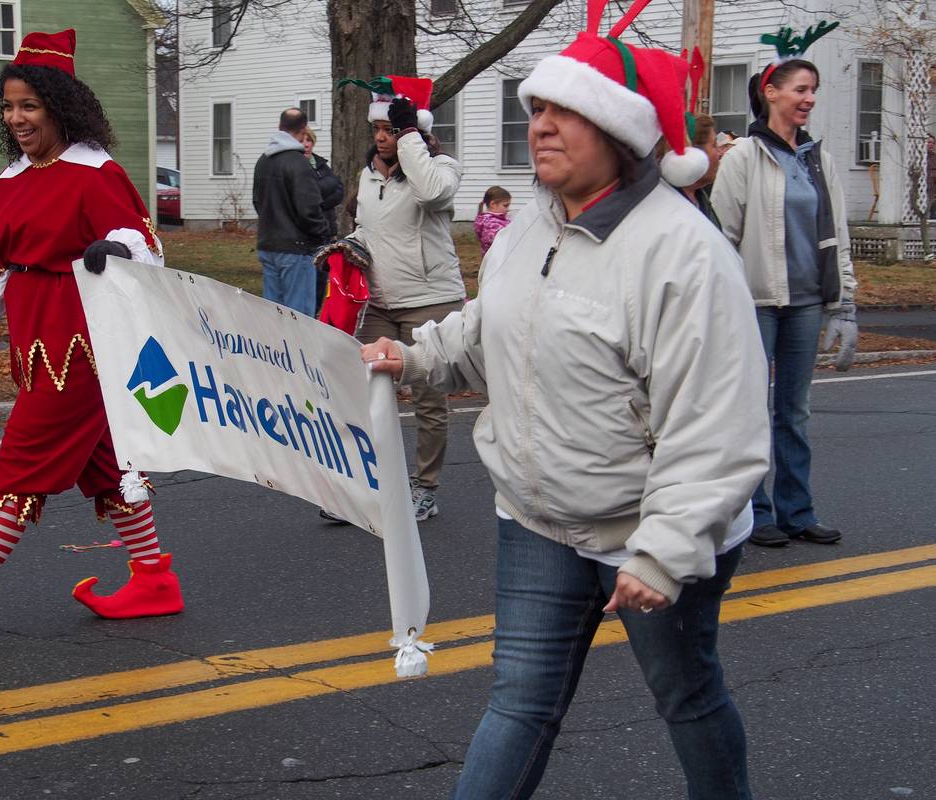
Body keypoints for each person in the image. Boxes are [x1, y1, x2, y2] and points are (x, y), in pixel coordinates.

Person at [361, 8, 770, 797]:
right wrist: (411, 357)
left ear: (617, 132)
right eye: (536, 111)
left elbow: (715, 425)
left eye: (564, 112)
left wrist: (664, 548)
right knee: (518, 704)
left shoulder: (684, 254)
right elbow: (490, 330)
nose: (540, 127)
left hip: (644, 532)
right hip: (536, 521)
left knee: (686, 698)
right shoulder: (526, 225)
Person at [0, 29, 183, 636]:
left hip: (84, 344)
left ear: (59, 104)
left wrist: (117, 246)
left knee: (23, 457)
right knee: (107, 464)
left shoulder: (93, 171)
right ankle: (154, 578)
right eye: (9, 106)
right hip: (34, 338)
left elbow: (143, 244)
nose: (18, 118)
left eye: (29, 105)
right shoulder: (11, 180)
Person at [711, 29, 858, 548]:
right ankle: (755, 512)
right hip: (755, 304)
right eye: (800, 88)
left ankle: (799, 510)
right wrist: (722, 310)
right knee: (750, 411)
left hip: (806, 304)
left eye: (813, 90)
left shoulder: (819, 159)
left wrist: (846, 306)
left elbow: (837, 234)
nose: (810, 98)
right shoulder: (744, 158)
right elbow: (722, 241)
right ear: (771, 92)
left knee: (793, 413)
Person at [338, 74, 467, 522]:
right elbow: (371, 229)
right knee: (361, 390)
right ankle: (369, 485)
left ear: (414, 131)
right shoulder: (368, 174)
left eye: (390, 130)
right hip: (381, 302)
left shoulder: (443, 169)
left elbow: (432, 193)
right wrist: (348, 245)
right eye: (377, 129)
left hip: (431, 299)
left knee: (428, 400)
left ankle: (425, 488)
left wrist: (411, 134)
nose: (380, 137)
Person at [252, 108, 330, 317]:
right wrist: (323, 235)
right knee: (299, 319)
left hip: (268, 245)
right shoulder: (299, 164)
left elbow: (258, 202)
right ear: (303, 129)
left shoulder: (263, 161)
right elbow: (309, 211)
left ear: (280, 127)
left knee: (273, 316)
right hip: (297, 249)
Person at [300, 127, 344, 316]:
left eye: (309, 140)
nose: (306, 144)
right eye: (302, 141)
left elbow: (339, 189)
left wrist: (319, 202)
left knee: (323, 279)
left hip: (327, 231)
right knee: (308, 280)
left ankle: (317, 314)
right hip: (308, 234)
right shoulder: (296, 166)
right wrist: (321, 193)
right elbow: (306, 194)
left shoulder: (321, 164)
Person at [473, 186, 512, 253]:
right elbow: (499, 240)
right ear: (493, 204)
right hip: (496, 258)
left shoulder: (494, 219)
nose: (508, 209)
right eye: (505, 205)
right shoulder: (490, 223)